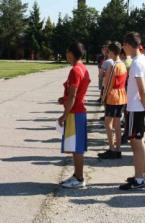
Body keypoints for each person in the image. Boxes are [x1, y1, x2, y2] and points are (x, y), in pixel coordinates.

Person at [120, 32, 145, 190]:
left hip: (136, 107)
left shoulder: (136, 63)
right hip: (139, 107)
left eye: (123, 46)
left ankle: (139, 180)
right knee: (140, 142)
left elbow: (142, 89)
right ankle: (142, 174)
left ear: (127, 45)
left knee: (136, 144)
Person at [58, 42, 91, 188]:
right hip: (78, 111)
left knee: (77, 148)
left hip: (75, 112)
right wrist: (63, 99)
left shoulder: (75, 70)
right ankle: (77, 175)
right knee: (75, 147)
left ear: (71, 53)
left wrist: (63, 115)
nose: (66, 55)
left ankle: (79, 178)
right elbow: (72, 95)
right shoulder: (83, 68)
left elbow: (73, 96)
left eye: (67, 52)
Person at [98, 42, 127, 159]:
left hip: (113, 97)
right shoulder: (123, 65)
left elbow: (108, 84)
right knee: (117, 125)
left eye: (108, 51)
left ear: (113, 52)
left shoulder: (113, 66)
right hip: (121, 96)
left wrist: (103, 97)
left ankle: (111, 148)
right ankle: (118, 149)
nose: (107, 53)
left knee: (108, 124)